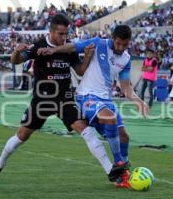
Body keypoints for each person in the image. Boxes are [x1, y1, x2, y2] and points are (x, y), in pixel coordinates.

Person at [0, 14, 124, 183]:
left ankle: (110, 170)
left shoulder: (68, 48)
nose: (64, 37)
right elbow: (15, 61)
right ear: (51, 32)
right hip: (42, 100)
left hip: (64, 98)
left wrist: (87, 57)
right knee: (22, 136)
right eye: (61, 34)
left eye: (66, 34)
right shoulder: (38, 46)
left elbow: (79, 71)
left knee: (86, 130)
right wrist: (16, 51)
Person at [37, 25, 149, 188]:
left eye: (124, 45)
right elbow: (74, 46)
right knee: (109, 118)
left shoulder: (125, 59)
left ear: (128, 42)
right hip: (87, 96)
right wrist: (53, 51)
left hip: (106, 100)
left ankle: (123, 174)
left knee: (124, 136)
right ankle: (118, 162)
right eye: (117, 44)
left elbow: (125, 86)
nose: (120, 48)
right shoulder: (99, 43)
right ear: (112, 38)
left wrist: (138, 100)